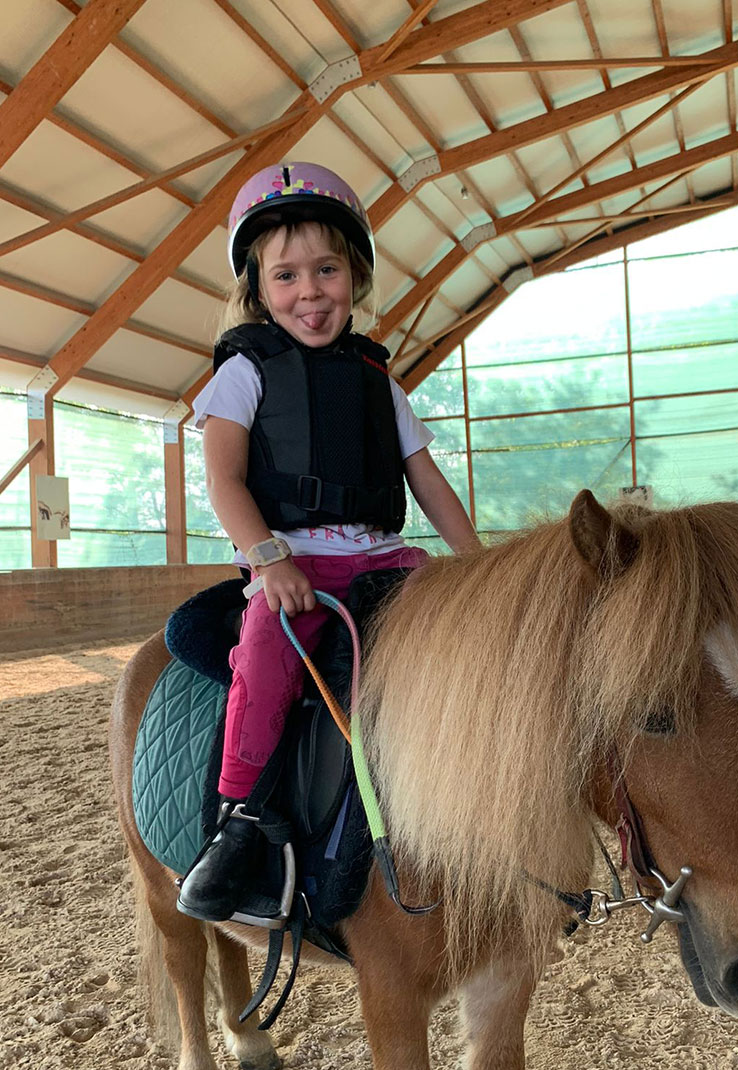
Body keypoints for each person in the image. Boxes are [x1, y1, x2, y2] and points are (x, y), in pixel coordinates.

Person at [177, 162, 479, 926]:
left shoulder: (380, 381)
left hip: (382, 558)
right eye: (286, 276)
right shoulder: (244, 372)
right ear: (258, 289)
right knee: (266, 655)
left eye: (326, 270)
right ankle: (241, 820)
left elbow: (428, 481)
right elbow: (224, 480)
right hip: (294, 561)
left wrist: (479, 564)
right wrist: (268, 558)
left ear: (355, 277)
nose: (309, 292)